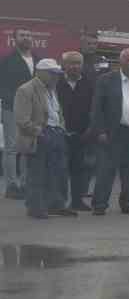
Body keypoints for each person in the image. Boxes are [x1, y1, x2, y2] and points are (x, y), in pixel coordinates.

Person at [88, 48, 129, 216]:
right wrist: (100, 130)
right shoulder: (106, 80)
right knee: (106, 170)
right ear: (121, 62)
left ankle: (128, 203)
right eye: (128, 60)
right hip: (112, 133)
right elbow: (97, 108)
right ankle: (99, 204)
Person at [14, 57, 73, 219]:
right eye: (52, 73)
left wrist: (61, 128)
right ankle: (35, 207)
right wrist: (39, 132)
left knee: (59, 172)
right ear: (40, 73)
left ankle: (57, 205)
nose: (56, 77)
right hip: (39, 136)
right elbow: (21, 119)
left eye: (57, 73)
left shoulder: (51, 88)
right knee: (37, 174)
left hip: (56, 134)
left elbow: (56, 112)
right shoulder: (26, 90)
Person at [56, 51, 97, 211]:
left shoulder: (90, 83)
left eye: (78, 63)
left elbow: (95, 108)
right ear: (64, 65)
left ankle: (77, 201)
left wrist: (91, 129)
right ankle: (59, 202)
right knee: (60, 169)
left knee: (80, 169)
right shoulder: (56, 83)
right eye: (71, 63)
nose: (75, 66)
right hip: (60, 133)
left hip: (83, 133)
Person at [1, 31, 37, 199]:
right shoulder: (7, 61)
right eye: (22, 35)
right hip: (12, 109)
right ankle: (12, 185)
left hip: (33, 110)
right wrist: (14, 101)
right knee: (12, 148)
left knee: (28, 147)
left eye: (28, 35)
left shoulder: (39, 59)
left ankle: (25, 183)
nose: (26, 37)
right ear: (14, 39)